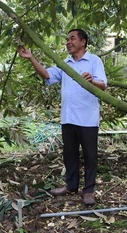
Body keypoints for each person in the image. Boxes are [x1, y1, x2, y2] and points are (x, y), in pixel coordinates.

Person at [18, 29, 107, 205]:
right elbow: (47, 75)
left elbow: (103, 85)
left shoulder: (94, 61)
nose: (68, 42)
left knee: (90, 156)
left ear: (83, 42)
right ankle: (71, 186)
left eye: (72, 38)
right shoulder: (64, 63)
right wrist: (31, 58)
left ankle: (88, 191)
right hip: (68, 117)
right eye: (67, 39)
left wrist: (92, 81)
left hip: (88, 118)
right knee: (70, 154)